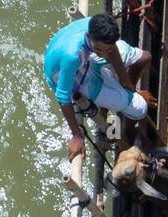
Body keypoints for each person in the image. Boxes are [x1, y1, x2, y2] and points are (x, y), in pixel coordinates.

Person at [44, 12, 151, 161]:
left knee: (144, 57)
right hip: (75, 77)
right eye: (101, 50)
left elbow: (111, 50)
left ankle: (119, 94)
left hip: (85, 56)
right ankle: (129, 129)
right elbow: (62, 96)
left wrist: (125, 80)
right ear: (90, 36)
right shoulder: (73, 56)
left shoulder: (94, 27)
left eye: (108, 49)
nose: (106, 53)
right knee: (140, 108)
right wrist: (76, 135)